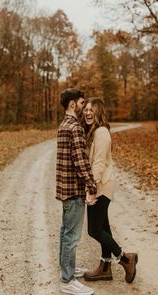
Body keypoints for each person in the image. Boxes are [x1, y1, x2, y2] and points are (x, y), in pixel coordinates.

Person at [82, 97, 138, 283]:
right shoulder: (95, 131)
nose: (88, 113)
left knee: (94, 230)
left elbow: (99, 163)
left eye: (92, 110)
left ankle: (125, 259)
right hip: (99, 186)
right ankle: (105, 268)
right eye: (86, 109)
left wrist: (91, 190)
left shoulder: (102, 132)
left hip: (101, 187)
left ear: (99, 112)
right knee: (103, 227)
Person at [56, 88, 97, 295]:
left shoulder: (63, 125)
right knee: (71, 236)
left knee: (65, 233)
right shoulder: (76, 128)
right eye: (82, 103)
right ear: (72, 104)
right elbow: (81, 162)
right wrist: (92, 185)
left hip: (65, 190)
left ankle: (67, 269)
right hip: (74, 191)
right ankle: (67, 280)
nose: (84, 107)